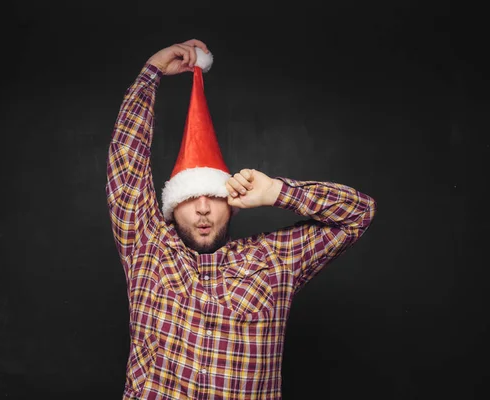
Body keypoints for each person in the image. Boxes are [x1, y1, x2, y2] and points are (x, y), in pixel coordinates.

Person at [106, 39, 377, 400]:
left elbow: (359, 214)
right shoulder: (148, 248)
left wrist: (279, 193)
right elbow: (126, 159)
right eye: (189, 198)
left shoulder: (274, 260)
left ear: (232, 203)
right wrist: (151, 72)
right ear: (172, 208)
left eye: (213, 197)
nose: (202, 209)